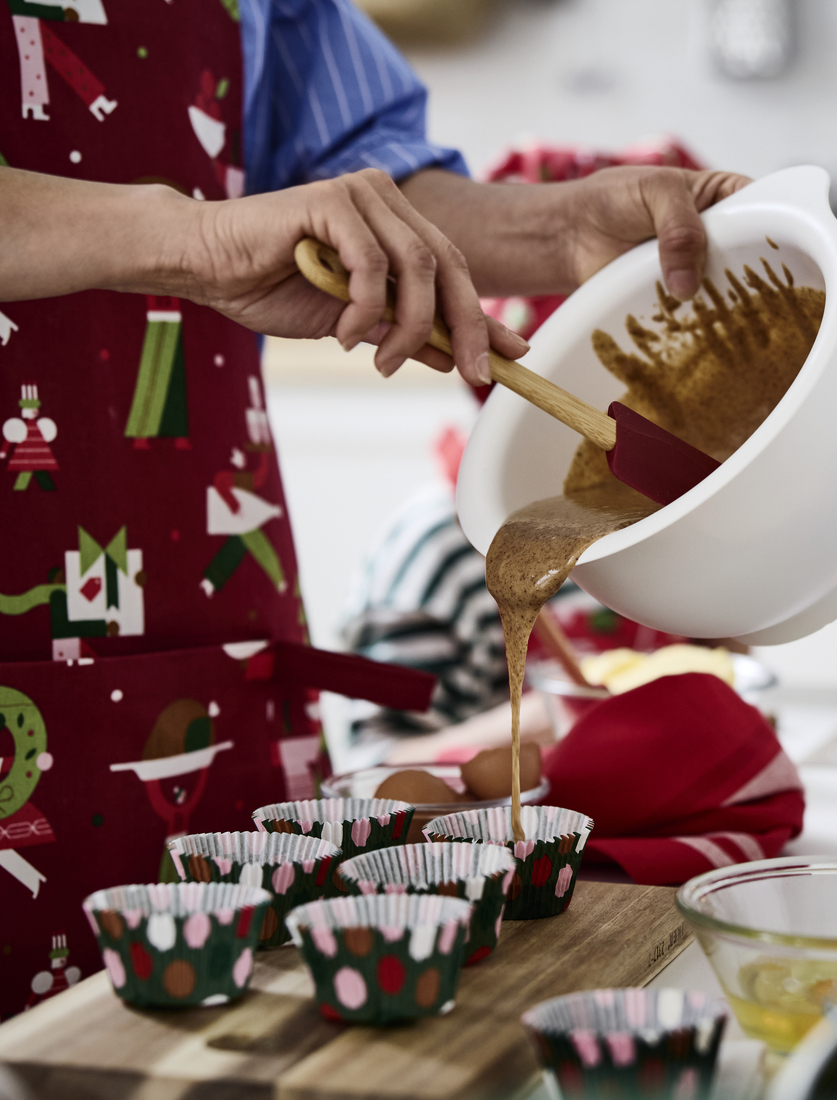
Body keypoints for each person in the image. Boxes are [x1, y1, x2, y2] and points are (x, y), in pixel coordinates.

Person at [0, 0, 748, 1017]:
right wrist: (193, 237)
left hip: (206, 651)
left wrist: (557, 227)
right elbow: (234, 227)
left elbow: (353, 173)